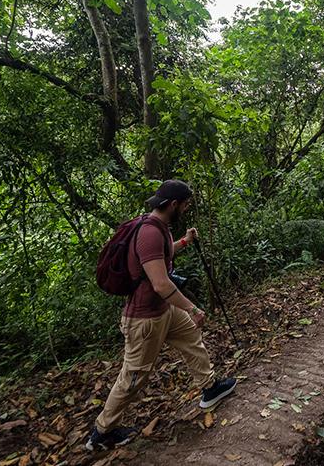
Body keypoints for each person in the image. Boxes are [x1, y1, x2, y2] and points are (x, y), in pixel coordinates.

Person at [87, 180, 237, 451]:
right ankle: (102, 432)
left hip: (163, 311)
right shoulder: (150, 233)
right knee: (134, 377)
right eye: (186, 204)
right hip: (145, 320)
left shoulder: (159, 227)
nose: (188, 209)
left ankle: (209, 387)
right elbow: (161, 284)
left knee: (191, 336)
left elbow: (160, 256)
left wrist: (184, 242)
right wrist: (192, 308)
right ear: (173, 205)